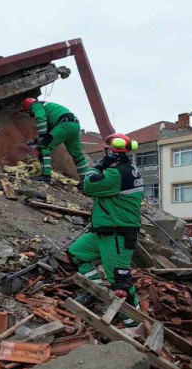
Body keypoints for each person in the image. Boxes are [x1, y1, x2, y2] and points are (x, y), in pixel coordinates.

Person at [68, 133, 143, 305]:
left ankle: (134, 326)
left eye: (106, 151)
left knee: (121, 283)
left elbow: (89, 185)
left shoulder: (117, 174)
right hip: (105, 230)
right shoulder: (126, 171)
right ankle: (95, 292)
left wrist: (97, 167)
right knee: (77, 254)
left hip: (118, 234)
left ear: (110, 153)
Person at [22, 98, 93, 183]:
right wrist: (37, 140)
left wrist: (41, 141)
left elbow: (41, 119)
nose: (31, 115)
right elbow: (51, 133)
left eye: (29, 112)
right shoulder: (50, 109)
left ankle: (46, 176)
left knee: (44, 147)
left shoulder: (36, 106)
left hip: (64, 125)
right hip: (74, 125)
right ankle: (86, 182)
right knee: (78, 156)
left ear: (28, 107)